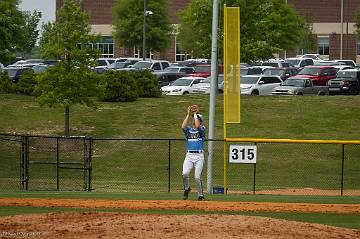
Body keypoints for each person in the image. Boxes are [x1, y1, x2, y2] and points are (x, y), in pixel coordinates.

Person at [181, 105, 206, 201]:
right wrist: (188, 114)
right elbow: (183, 127)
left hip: (199, 156)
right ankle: (187, 188)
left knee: (197, 177)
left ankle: (200, 195)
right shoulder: (189, 130)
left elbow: (198, 126)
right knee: (185, 173)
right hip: (189, 155)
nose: (194, 120)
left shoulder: (202, 130)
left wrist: (195, 114)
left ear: (200, 121)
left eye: (196, 119)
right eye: (194, 119)